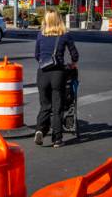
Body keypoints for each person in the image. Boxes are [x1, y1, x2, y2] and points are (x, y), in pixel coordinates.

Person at [34, 10, 79, 148]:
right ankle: (57, 139)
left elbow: (37, 55)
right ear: (59, 19)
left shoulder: (41, 34)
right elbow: (75, 55)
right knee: (57, 106)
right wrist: (72, 64)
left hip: (42, 73)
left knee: (45, 105)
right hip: (58, 74)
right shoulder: (65, 35)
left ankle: (40, 129)